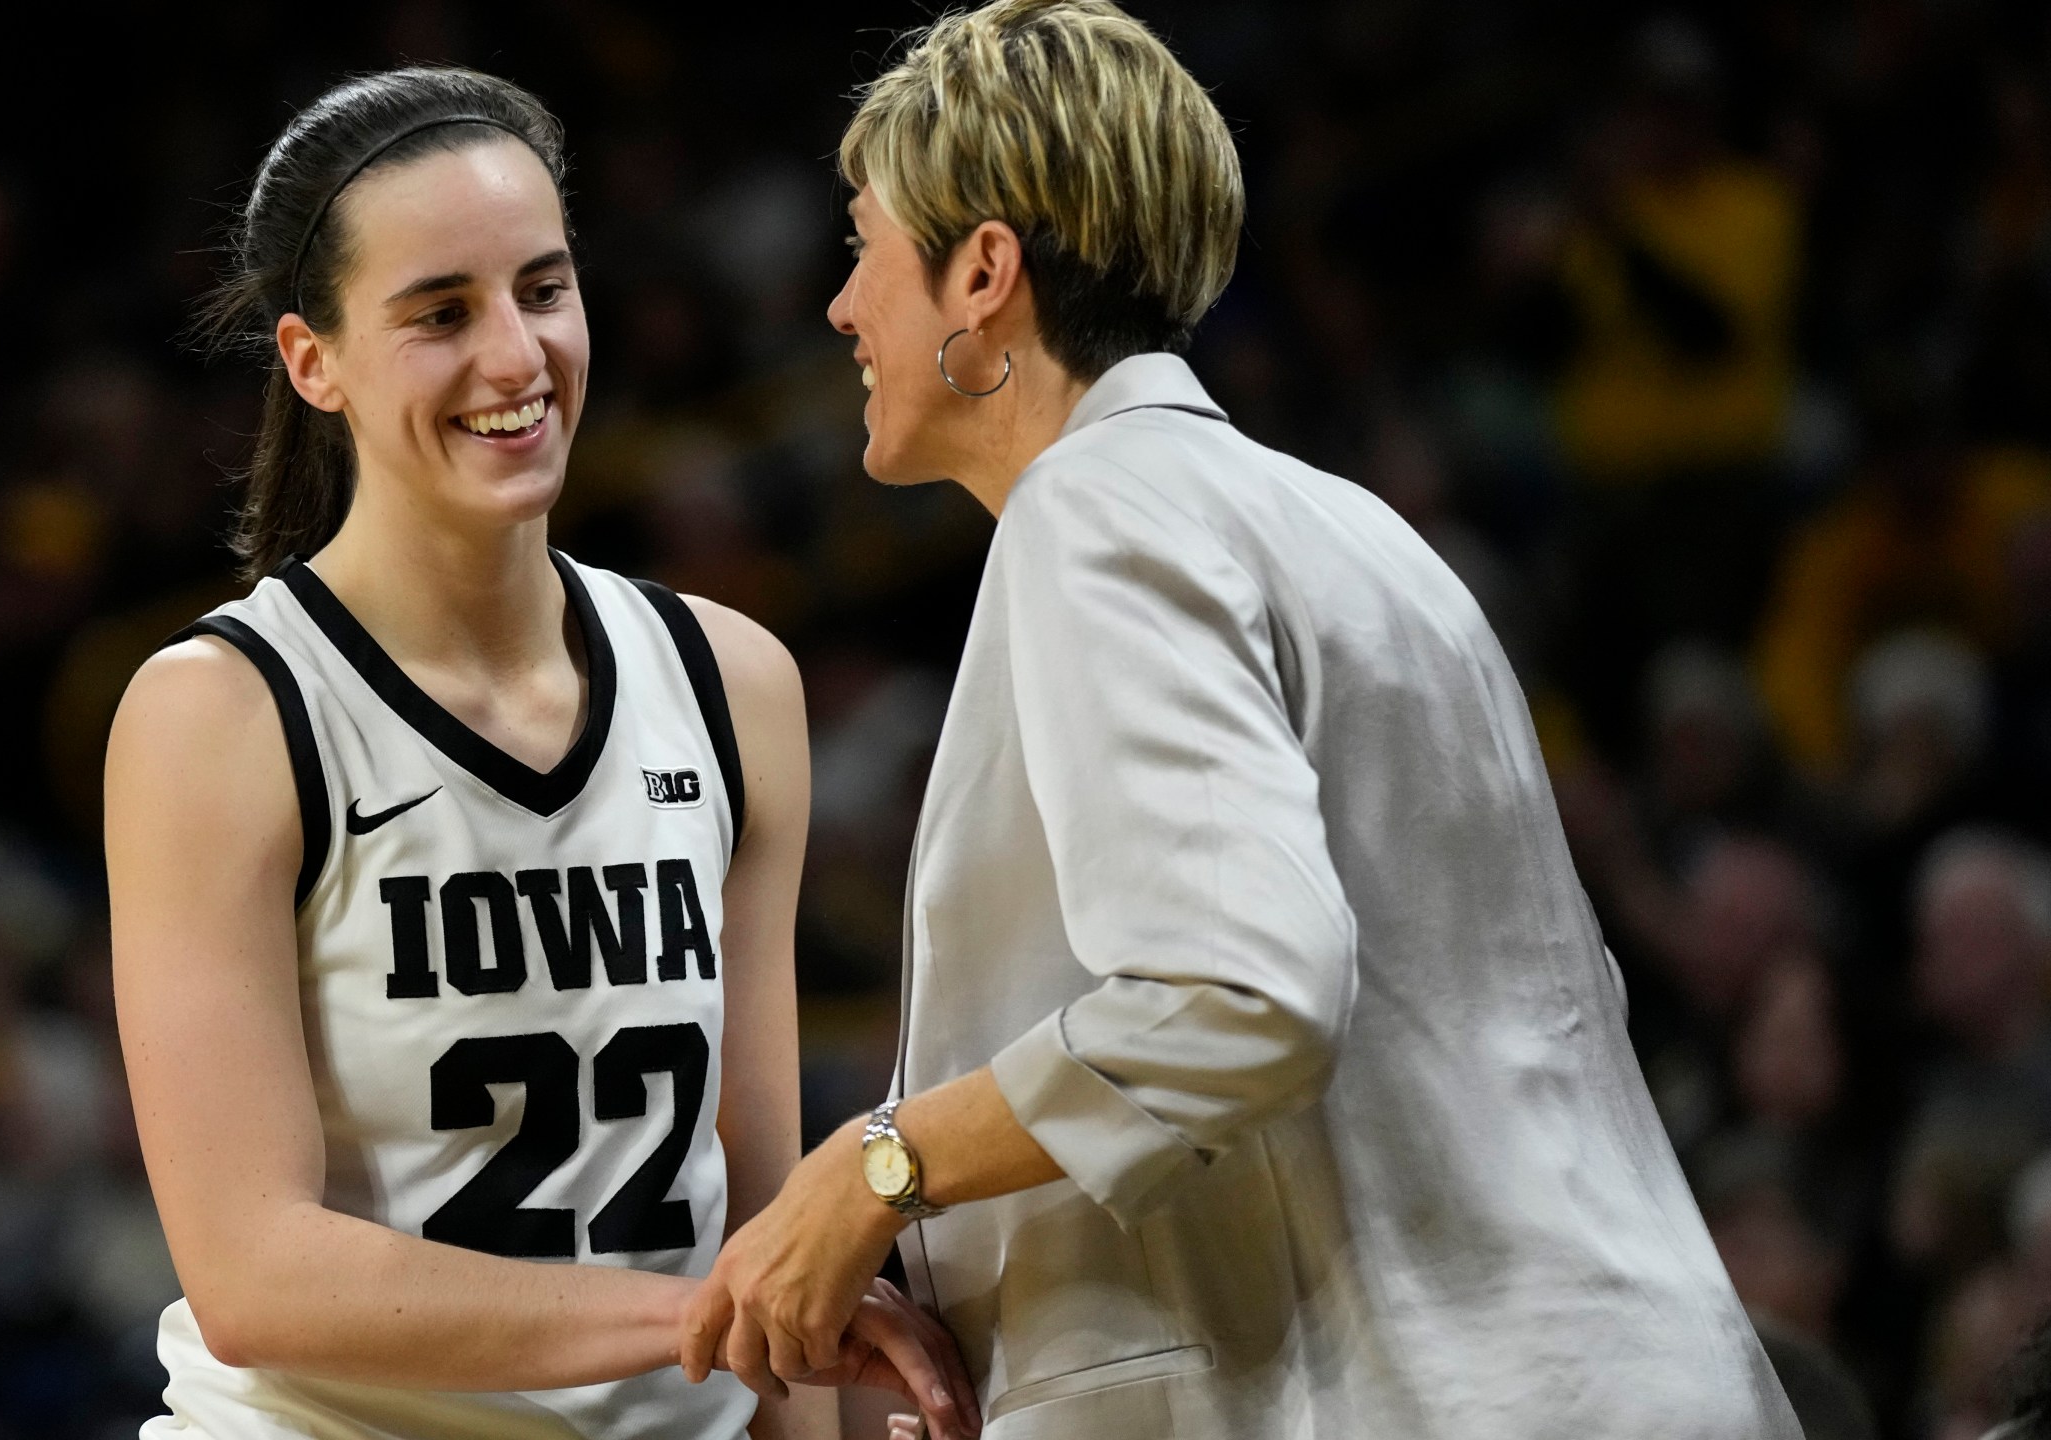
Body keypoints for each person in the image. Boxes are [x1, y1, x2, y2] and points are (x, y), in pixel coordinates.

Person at [678, 4, 1805, 1434]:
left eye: (863, 247)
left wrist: (880, 1165)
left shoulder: (1096, 510)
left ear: (981, 272)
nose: (841, 308)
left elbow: (1238, 992)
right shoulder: (1364, 533)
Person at [104, 68, 971, 1440]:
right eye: (441, 312)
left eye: (544, 289)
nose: (514, 356)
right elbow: (252, 1274)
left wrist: (778, 1327)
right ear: (311, 359)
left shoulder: (732, 681)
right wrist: (728, 1308)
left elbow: (754, 1195)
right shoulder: (223, 709)